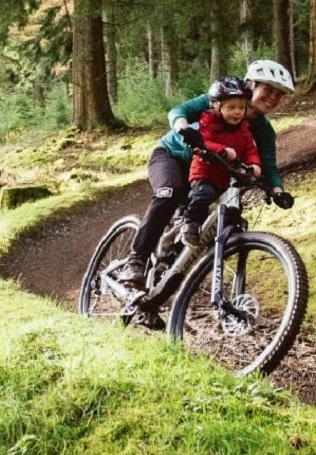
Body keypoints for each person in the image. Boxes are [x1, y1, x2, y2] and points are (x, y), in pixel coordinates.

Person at [117, 59, 295, 289]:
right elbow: (180, 111)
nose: (273, 97)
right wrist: (182, 126)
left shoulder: (263, 131)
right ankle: (135, 262)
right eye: (268, 89)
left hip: (209, 173)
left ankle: (155, 293)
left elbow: (269, 166)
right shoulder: (220, 98)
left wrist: (278, 190)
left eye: (278, 94)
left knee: (206, 228)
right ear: (250, 84)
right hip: (172, 157)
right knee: (169, 192)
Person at [179, 76, 262, 247]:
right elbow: (203, 142)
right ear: (218, 106)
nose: (238, 112)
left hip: (224, 179)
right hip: (204, 173)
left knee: (232, 206)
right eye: (231, 107)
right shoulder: (209, 122)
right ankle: (190, 225)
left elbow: (250, 150)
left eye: (241, 107)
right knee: (204, 194)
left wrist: (254, 165)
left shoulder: (244, 129)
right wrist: (222, 150)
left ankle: (225, 241)